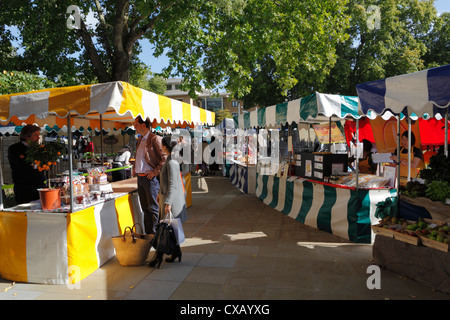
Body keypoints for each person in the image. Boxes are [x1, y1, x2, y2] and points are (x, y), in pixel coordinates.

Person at [149, 135, 187, 268]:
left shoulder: (171, 162)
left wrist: (168, 202)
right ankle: (176, 252)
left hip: (171, 201)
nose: (161, 147)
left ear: (166, 146)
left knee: (164, 230)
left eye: (162, 145)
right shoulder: (171, 159)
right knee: (170, 229)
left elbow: (173, 185)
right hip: (167, 198)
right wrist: (161, 194)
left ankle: (157, 257)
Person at [133, 116, 166, 235]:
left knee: (153, 209)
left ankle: (155, 235)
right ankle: (149, 236)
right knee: (145, 209)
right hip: (141, 177)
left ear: (143, 125)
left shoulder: (155, 139)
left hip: (149, 178)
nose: (134, 127)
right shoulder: (140, 139)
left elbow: (165, 157)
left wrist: (155, 171)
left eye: (136, 125)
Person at [8, 124, 46, 204]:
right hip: (24, 189)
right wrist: (32, 163)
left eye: (39, 135)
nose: (38, 138)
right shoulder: (15, 148)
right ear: (27, 136)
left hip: (40, 187)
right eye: (35, 135)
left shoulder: (39, 149)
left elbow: (44, 165)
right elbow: (21, 164)